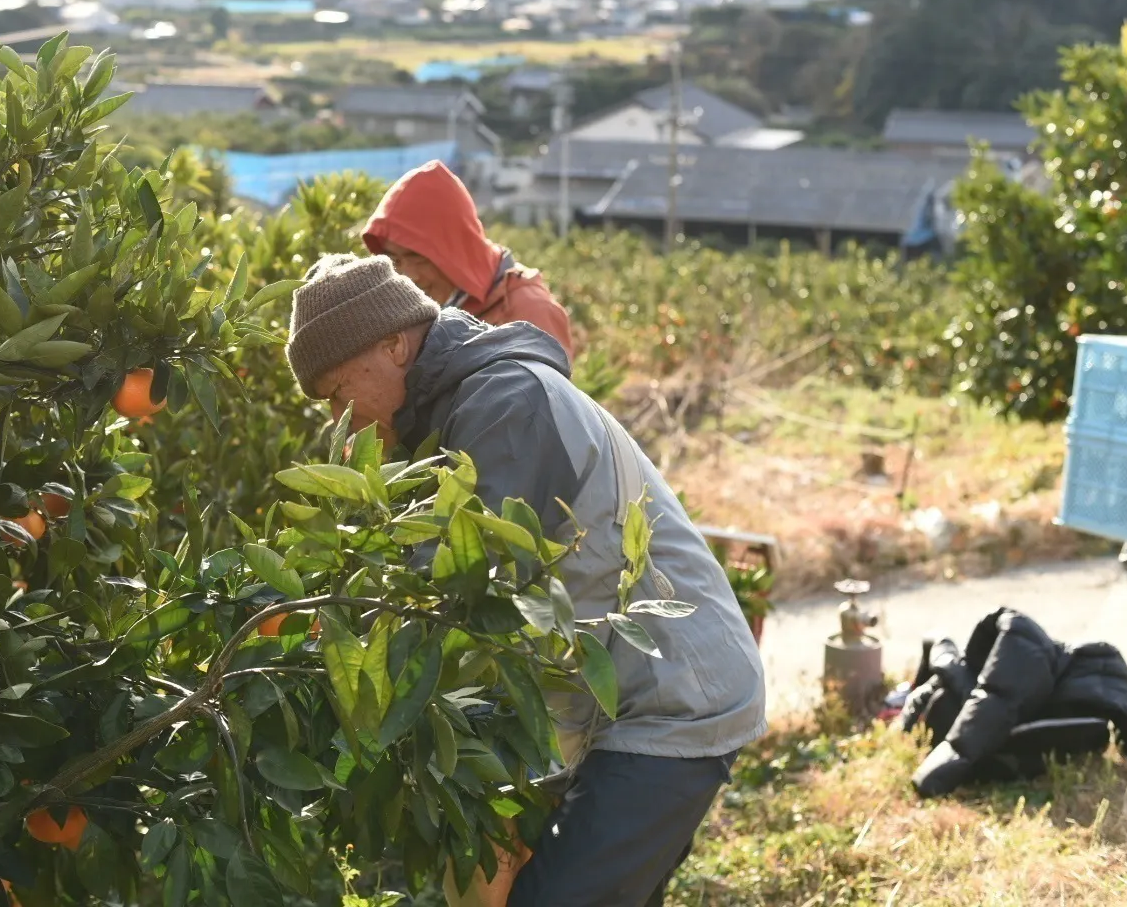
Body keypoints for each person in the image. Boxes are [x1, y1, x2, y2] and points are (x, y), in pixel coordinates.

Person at [284, 255, 767, 907]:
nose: (343, 420)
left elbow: (463, 584)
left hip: (672, 697)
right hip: (610, 703)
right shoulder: (453, 414)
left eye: (341, 393)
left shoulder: (504, 402)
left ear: (393, 344)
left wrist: (341, 626)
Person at [363, 159, 574, 361]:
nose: (409, 276)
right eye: (394, 259)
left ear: (454, 250)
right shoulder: (417, 311)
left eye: (418, 257)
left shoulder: (530, 313)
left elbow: (546, 397)